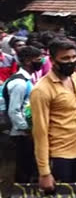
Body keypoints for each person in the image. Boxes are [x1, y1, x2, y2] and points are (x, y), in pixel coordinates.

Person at [30, 39, 76, 191]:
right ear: (52, 60)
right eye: (65, 59)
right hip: (59, 156)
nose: (71, 61)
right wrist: (44, 172)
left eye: (74, 57)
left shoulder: (74, 77)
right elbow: (40, 132)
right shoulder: (41, 90)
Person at [3, 46, 42, 183]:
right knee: (23, 168)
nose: (41, 61)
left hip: (26, 132)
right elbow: (14, 110)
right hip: (22, 134)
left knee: (29, 166)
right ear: (27, 61)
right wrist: (26, 128)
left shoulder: (27, 80)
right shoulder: (19, 83)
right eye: (38, 59)